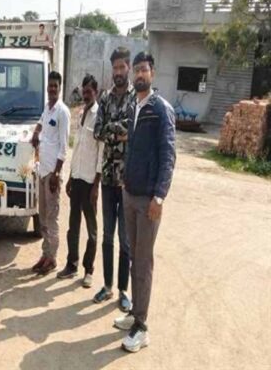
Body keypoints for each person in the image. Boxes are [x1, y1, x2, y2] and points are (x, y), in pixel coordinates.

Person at [114, 52, 176, 353]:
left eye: (144, 70)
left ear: (152, 73)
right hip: (130, 194)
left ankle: (142, 327)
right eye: (136, 70)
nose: (139, 74)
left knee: (143, 262)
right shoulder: (133, 107)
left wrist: (159, 196)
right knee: (132, 257)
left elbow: (168, 155)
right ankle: (135, 313)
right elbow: (132, 147)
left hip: (149, 200)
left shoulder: (161, 109)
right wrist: (125, 177)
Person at [92, 47, 134, 312]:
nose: (118, 72)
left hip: (127, 181)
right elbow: (97, 131)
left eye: (122, 67)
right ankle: (107, 286)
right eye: (115, 68)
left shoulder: (135, 98)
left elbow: (136, 130)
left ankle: (123, 290)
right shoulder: (105, 98)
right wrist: (121, 131)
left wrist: (115, 130)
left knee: (125, 240)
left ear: (128, 67)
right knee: (107, 236)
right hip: (108, 178)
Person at [57, 75, 103, 287]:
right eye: (84, 92)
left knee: (92, 231)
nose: (86, 95)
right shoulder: (82, 113)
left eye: (89, 92)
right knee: (73, 227)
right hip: (76, 179)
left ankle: (89, 270)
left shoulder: (99, 115)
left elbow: (101, 152)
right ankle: (71, 264)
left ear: (96, 92)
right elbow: (76, 149)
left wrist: (96, 185)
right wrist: (69, 177)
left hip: (90, 182)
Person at [30, 71, 71, 275]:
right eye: (50, 85)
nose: (52, 89)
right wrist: (36, 132)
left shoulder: (63, 112)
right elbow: (40, 122)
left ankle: (52, 258)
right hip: (42, 171)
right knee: (43, 218)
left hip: (52, 174)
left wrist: (56, 174)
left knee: (52, 219)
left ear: (60, 88)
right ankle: (45, 254)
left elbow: (64, 147)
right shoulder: (47, 108)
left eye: (56, 86)